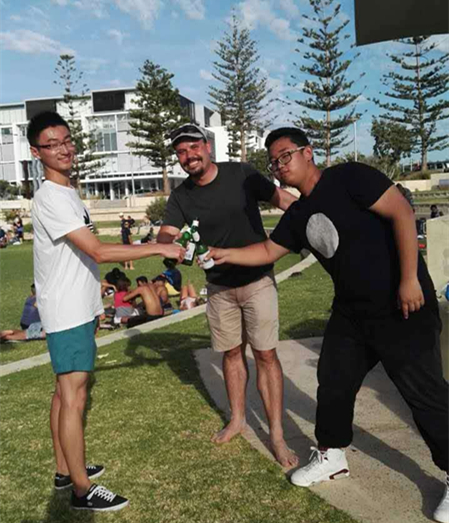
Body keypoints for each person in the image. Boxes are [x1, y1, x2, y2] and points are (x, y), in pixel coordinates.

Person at [207, 127, 448, 523]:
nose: (279, 166)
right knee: (333, 380)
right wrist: (222, 254)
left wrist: (409, 279)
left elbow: (402, 213)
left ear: (308, 153)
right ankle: (332, 455)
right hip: (352, 313)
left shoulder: (350, 177)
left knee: (423, 392)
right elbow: (267, 250)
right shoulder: (298, 214)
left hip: (401, 304)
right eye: (273, 163)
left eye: (285, 156)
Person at [28, 111, 184, 512]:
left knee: (64, 392)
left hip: (77, 306)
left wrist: (95, 299)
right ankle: (81, 490)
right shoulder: (50, 196)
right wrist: (158, 247)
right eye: (52, 144)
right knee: (73, 394)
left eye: (67, 140)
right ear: (36, 152)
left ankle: (66, 470)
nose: (64, 149)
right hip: (65, 310)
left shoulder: (66, 191)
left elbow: (81, 256)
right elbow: (97, 251)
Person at [157, 123, 299, 467]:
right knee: (232, 353)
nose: (189, 156)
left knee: (265, 355)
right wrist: (173, 245)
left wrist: (315, 217)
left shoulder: (241, 174)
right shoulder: (181, 196)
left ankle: (277, 435)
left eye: (194, 147)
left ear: (207, 146)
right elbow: (166, 235)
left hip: (257, 280)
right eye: (181, 152)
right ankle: (238, 420)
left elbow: (284, 201)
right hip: (219, 288)